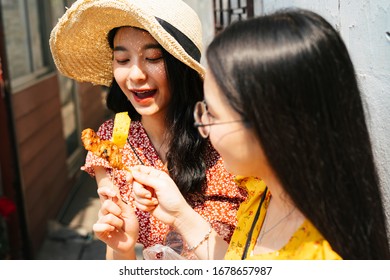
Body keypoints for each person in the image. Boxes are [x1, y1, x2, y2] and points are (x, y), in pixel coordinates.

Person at [128, 9, 390, 259]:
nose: (204, 128)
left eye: (214, 115)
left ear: (274, 125)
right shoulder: (263, 191)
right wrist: (180, 215)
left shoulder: (320, 258)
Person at [49, 0, 246, 260]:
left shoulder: (224, 134)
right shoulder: (111, 141)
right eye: (122, 59)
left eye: (153, 58)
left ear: (182, 66)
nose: (135, 75)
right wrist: (122, 246)